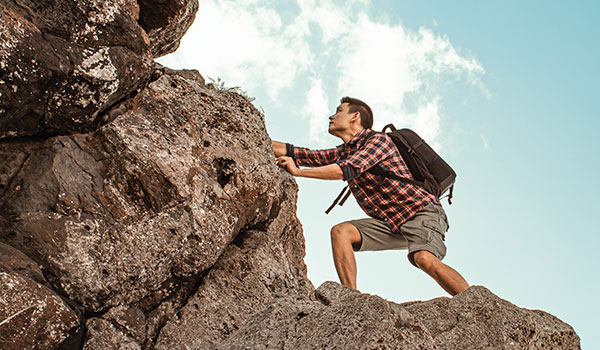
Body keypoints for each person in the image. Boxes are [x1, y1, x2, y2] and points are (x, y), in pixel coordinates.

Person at [272, 97, 469, 296]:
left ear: (354, 116)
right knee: (341, 232)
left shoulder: (378, 141)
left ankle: (478, 307)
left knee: (424, 258)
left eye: (339, 110)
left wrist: (299, 172)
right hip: (392, 222)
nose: (332, 116)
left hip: (421, 213)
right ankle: (351, 299)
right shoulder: (344, 152)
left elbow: (347, 169)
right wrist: (256, 136)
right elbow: (301, 154)